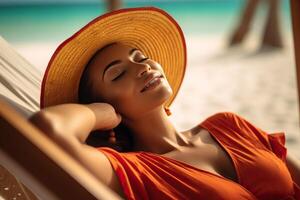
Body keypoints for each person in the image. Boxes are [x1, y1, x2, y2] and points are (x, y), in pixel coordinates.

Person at [30, 7, 300, 199]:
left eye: (140, 56)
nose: (142, 67)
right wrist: (100, 113)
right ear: (105, 104)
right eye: (118, 73)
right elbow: (47, 128)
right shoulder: (135, 171)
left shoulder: (229, 124)